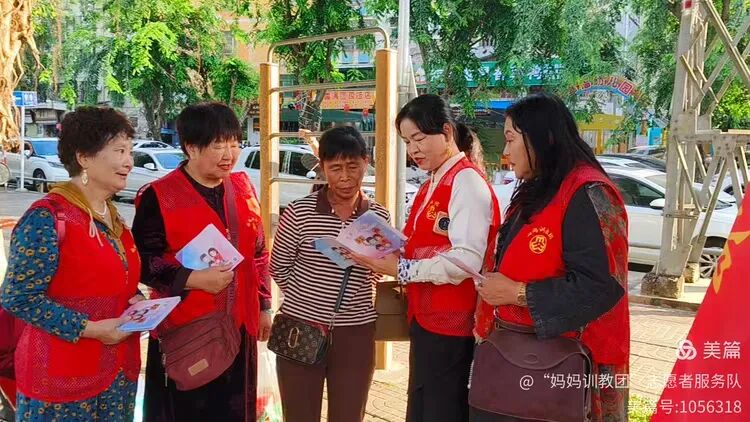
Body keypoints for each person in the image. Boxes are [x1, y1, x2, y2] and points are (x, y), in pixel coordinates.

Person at [472, 93, 630, 421]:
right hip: (520, 354)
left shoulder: (588, 192)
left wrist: (518, 293)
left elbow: (601, 286)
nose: (505, 153)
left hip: (572, 363)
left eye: (510, 139)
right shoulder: (538, 190)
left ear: (543, 138)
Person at [354, 94, 501, 422]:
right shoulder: (432, 182)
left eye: (419, 138)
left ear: (446, 132)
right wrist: (382, 249)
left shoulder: (466, 182)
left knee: (441, 408)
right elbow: (421, 243)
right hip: (425, 318)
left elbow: (466, 260)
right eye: (407, 142)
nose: (413, 149)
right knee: (422, 404)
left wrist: (403, 268)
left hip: (453, 324)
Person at [132, 102, 273, 422]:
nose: (229, 154)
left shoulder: (242, 187)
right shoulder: (159, 195)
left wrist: (264, 304)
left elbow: (259, 251)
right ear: (191, 147)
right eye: (218, 145)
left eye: (235, 144)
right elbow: (144, 262)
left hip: (241, 325)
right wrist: (193, 278)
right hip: (187, 330)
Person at [0, 106, 143, 421]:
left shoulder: (114, 218)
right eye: (120, 151)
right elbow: (18, 298)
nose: (129, 162)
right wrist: (90, 329)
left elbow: (118, 281)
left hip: (117, 376)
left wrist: (137, 302)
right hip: (59, 383)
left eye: (130, 152)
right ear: (84, 157)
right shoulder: (47, 218)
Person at [270, 126, 390, 422]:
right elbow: (279, 266)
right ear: (322, 167)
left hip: (356, 332)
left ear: (366, 162)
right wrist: (310, 299)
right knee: (299, 414)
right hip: (300, 328)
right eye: (335, 168)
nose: (345, 177)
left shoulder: (378, 217)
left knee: (349, 414)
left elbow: (378, 270)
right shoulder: (299, 213)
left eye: (353, 166)